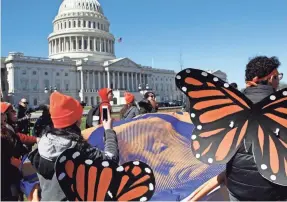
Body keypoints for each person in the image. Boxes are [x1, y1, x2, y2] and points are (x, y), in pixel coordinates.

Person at [29, 92, 119, 201]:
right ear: (75, 121)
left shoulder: (42, 143)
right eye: (79, 117)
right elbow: (110, 159)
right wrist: (109, 130)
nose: (81, 120)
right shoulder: (78, 148)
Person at [226, 56, 286, 201]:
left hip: (237, 185)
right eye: (277, 77)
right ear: (271, 78)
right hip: (275, 190)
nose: (278, 81)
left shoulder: (229, 105)